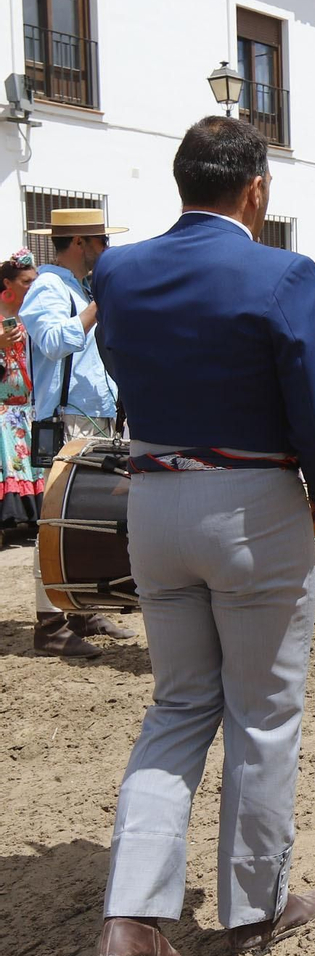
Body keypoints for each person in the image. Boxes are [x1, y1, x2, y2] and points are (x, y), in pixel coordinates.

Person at [89, 116, 315, 956]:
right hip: (251, 505)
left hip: (155, 501)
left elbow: (122, 367)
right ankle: (255, 906)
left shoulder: (118, 270)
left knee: (176, 708)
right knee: (263, 713)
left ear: (180, 182)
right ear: (256, 191)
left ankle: (131, 920)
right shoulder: (283, 272)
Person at [19, 207, 131, 658]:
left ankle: (81, 607)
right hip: (65, 418)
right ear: (82, 243)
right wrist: (98, 308)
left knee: (87, 515)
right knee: (55, 521)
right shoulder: (47, 286)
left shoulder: (75, 287)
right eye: (101, 240)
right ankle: (49, 624)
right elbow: (52, 341)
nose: (106, 250)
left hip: (89, 418)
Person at [0, 253, 43, 532]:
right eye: (26, 282)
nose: (32, 287)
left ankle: (34, 511)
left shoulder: (34, 317)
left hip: (29, 403)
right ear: (8, 284)